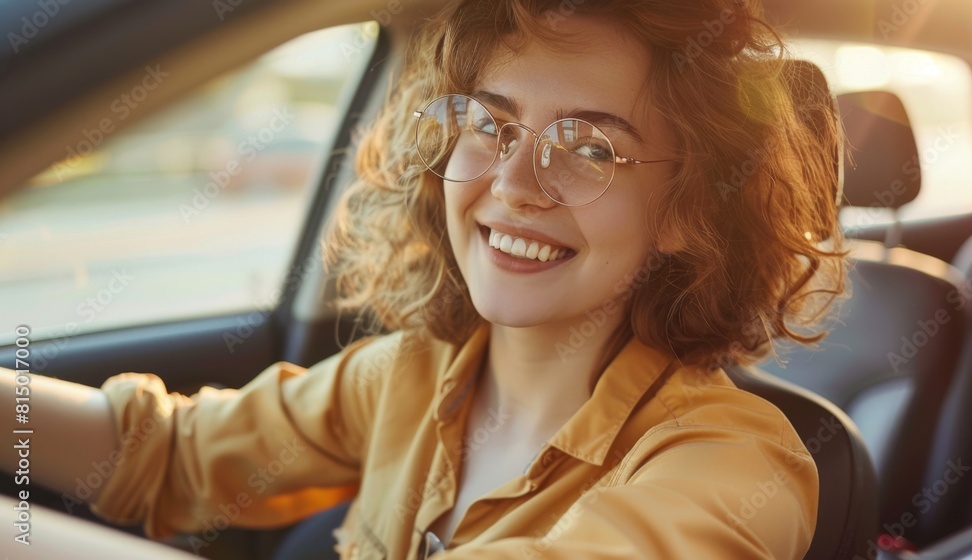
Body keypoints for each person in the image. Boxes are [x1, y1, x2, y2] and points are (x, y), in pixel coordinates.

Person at [2, 0, 846, 558]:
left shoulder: (736, 466)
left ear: (682, 210)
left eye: (590, 147)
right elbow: (174, 456)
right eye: (492, 124)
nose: (514, 184)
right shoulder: (411, 373)